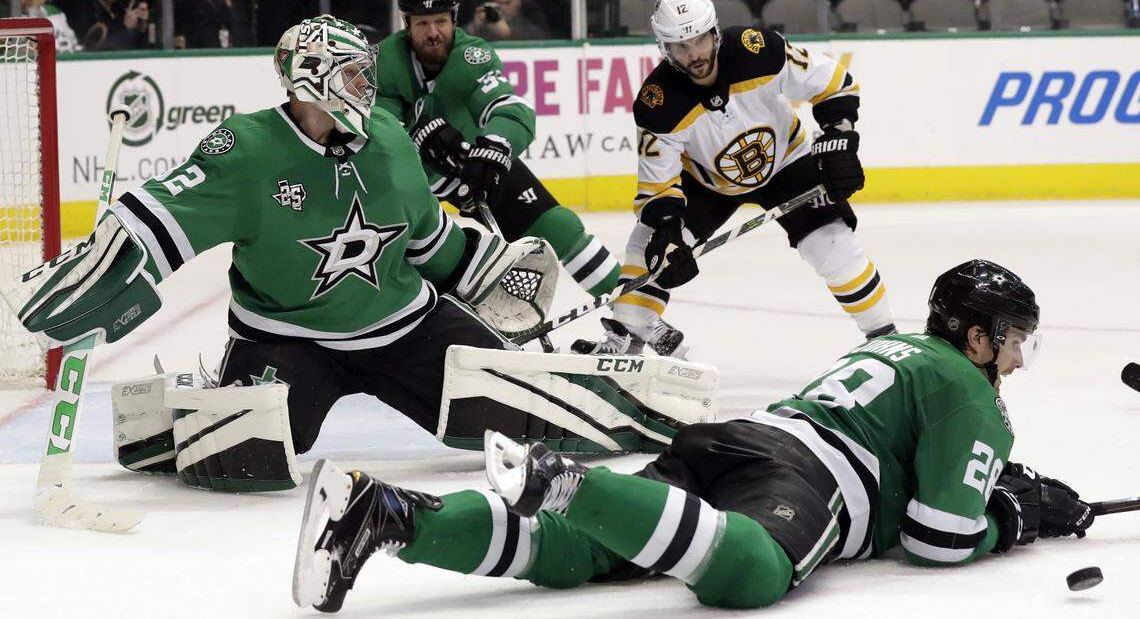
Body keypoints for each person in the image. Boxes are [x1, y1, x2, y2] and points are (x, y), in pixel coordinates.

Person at [3, 15, 690, 494]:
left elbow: (431, 243)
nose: (370, 86)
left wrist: (486, 275)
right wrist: (99, 270)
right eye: (356, 75)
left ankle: (632, 396)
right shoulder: (245, 150)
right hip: (286, 336)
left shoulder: (389, 139)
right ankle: (183, 408)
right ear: (312, 81)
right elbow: (156, 221)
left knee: (527, 424)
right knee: (246, 462)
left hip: (407, 325)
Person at [293, 259, 1096, 613]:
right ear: (978, 335)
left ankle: (391, 513)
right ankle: (566, 479)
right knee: (750, 572)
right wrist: (1015, 516)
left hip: (737, 439)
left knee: (576, 552)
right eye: (1013, 339)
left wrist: (998, 486)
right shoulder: (968, 389)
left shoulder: (893, 349)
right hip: (805, 477)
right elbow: (941, 538)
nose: (1018, 359)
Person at [574, 0, 897, 358]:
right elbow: (658, 185)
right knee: (649, 249)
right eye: (681, 46)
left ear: (714, 31)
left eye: (698, 39)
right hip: (707, 183)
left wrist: (840, 137)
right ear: (665, 49)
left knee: (833, 245)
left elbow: (835, 83)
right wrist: (668, 232)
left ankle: (885, 340)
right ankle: (626, 335)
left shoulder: (758, 49)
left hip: (787, 161)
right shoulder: (657, 102)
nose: (694, 54)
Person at [376, 0, 622, 303]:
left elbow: (510, 109)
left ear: (454, 19)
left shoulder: (472, 56)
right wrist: (414, 137)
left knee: (558, 226)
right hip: (408, 181)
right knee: (420, 263)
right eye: (422, 23)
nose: (432, 32)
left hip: (468, 165)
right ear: (407, 25)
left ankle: (633, 311)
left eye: (440, 21)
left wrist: (492, 148)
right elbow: (377, 129)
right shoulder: (384, 62)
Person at [1, 0, 81, 52]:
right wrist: (34, 9)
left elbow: (74, 43)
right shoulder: (7, 20)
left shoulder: (53, 11)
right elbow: (28, 52)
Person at [465, 0, 551, 41]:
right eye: (499, 3)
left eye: (507, 3)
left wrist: (510, 32)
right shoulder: (490, 12)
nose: (503, 8)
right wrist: (474, 27)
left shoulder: (529, 8)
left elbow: (543, 36)